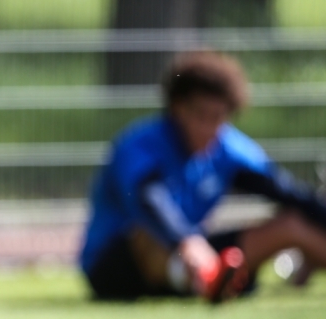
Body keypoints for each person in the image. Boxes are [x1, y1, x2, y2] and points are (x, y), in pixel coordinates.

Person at [81, 50, 326, 302]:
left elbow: (288, 193)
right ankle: (209, 279)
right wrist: (187, 241)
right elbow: (149, 201)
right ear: (177, 109)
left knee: (293, 225)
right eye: (200, 116)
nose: (209, 128)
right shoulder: (140, 145)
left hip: (197, 253)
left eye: (218, 117)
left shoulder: (229, 149)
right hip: (117, 267)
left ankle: (214, 278)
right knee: (149, 234)